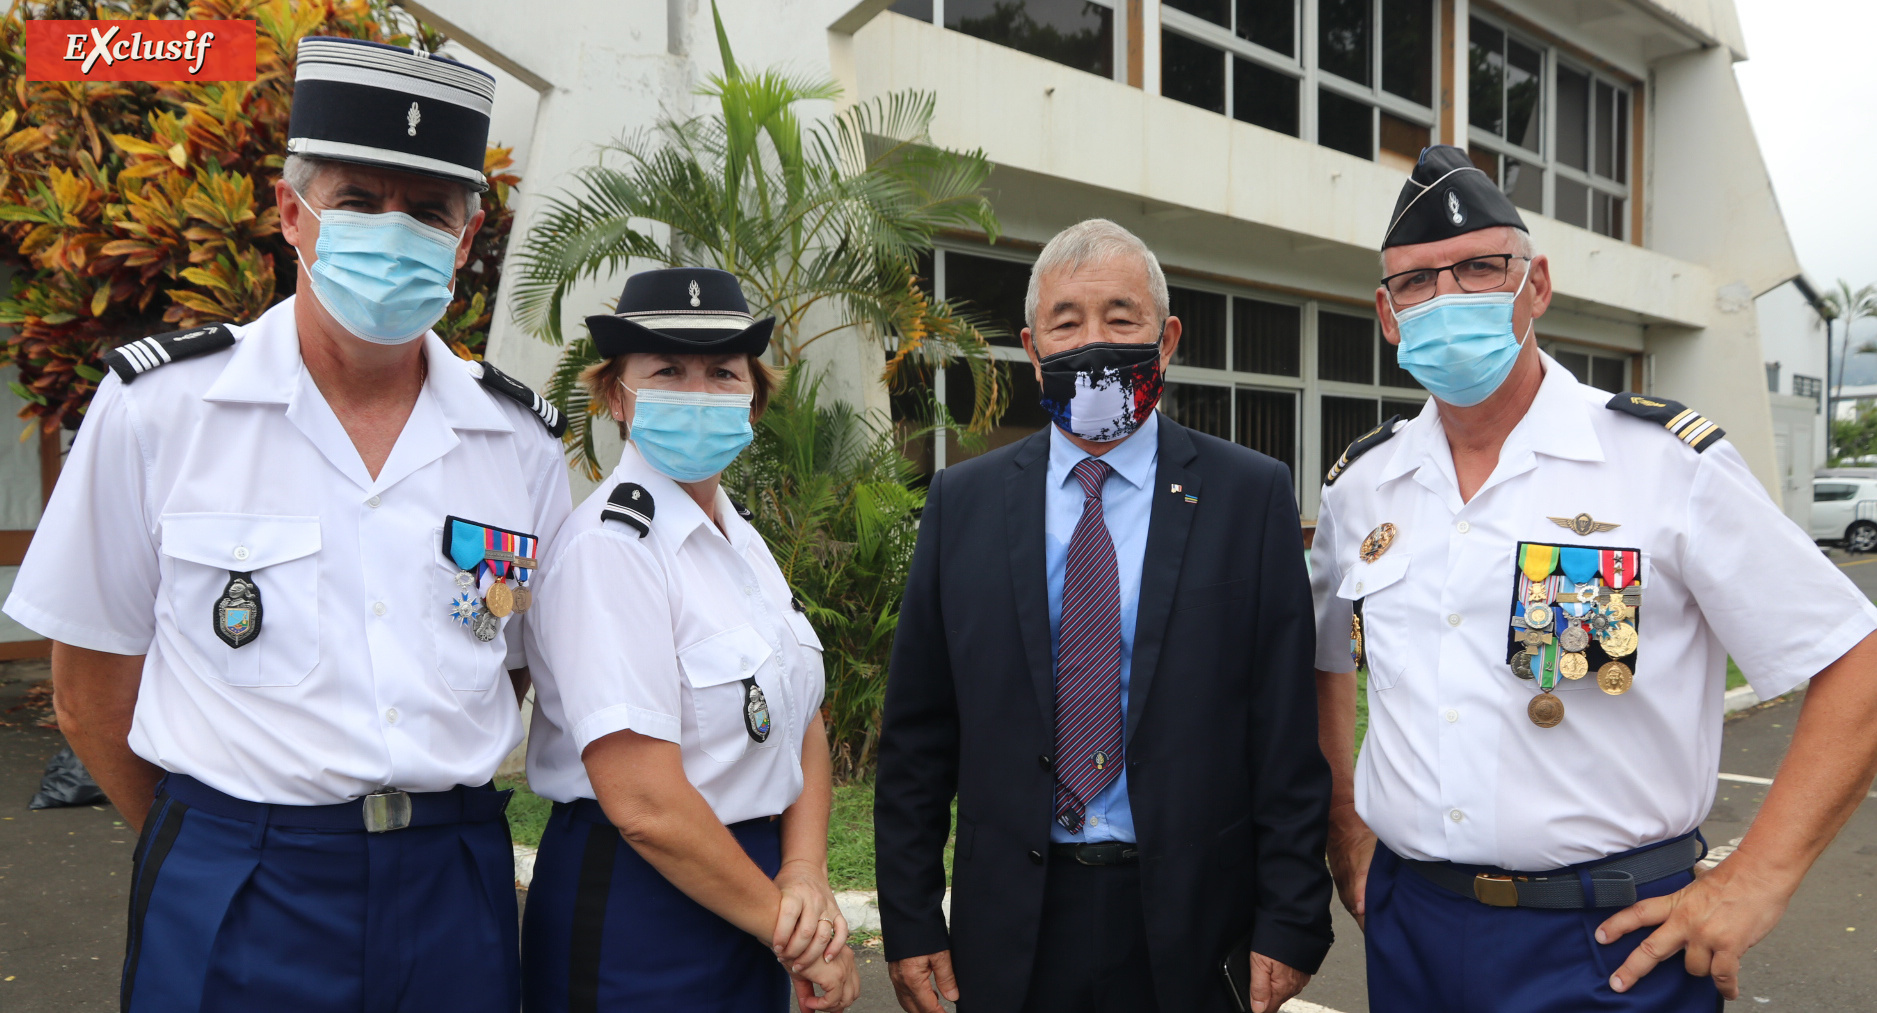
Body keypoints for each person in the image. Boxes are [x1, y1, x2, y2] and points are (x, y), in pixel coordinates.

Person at [0, 37, 571, 1012]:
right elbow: (88, 690)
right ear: (289, 213)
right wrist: (215, 841)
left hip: (452, 877)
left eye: (428, 211)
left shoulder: (514, 440)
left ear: (466, 240)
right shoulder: (161, 408)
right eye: (357, 200)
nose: (395, 231)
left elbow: (511, 657)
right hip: (238, 877)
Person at [1312, 144, 1877, 1012]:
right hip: (1412, 929)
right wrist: (1348, 828)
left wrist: (1753, 881)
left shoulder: (1658, 463)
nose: (1448, 297)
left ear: (1535, 286)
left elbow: (1853, 658)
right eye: (1417, 283)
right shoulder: (1363, 486)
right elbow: (1331, 664)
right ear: (1387, 316)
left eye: (1478, 268)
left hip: (1607, 946)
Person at [875, 219, 1333, 1013]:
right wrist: (911, 917)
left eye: (1120, 318)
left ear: (1166, 338)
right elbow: (918, 734)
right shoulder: (962, 504)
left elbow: (1283, 731)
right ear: (1031, 344)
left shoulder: (1247, 496)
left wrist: (1291, 914)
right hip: (1014, 920)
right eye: (1066, 321)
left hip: (1190, 923)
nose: (1093, 341)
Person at [519, 267, 860, 1013]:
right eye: (667, 369)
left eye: (721, 372)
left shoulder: (741, 543)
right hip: (641, 905)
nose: (697, 392)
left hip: (752, 889)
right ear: (616, 394)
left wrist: (802, 871)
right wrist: (794, 932)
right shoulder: (612, 548)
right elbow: (643, 801)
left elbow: (800, 716)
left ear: (752, 397)